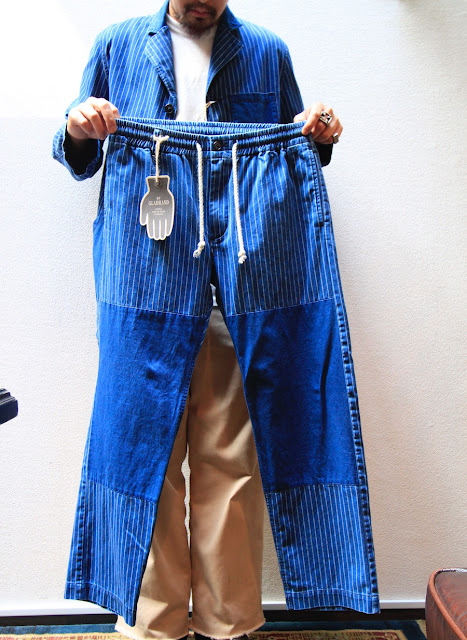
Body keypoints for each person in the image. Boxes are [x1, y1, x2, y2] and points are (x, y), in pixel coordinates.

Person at [53, 2, 379, 640]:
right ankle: (153, 625)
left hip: (248, 278)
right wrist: (77, 124)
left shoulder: (267, 50)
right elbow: (78, 158)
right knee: (141, 447)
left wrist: (319, 134)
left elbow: (296, 155)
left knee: (231, 458)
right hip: (143, 276)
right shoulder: (117, 45)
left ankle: (227, 624)